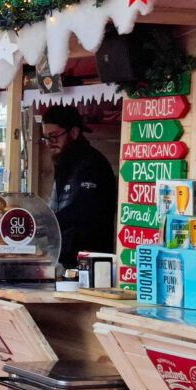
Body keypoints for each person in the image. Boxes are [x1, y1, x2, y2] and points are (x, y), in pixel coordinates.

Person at [41, 105, 117, 269]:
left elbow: (81, 211)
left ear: (74, 133)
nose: (49, 143)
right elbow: (55, 205)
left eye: (53, 136)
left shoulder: (93, 165)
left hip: (90, 262)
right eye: (46, 138)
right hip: (67, 258)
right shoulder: (64, 162)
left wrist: (42, 223)